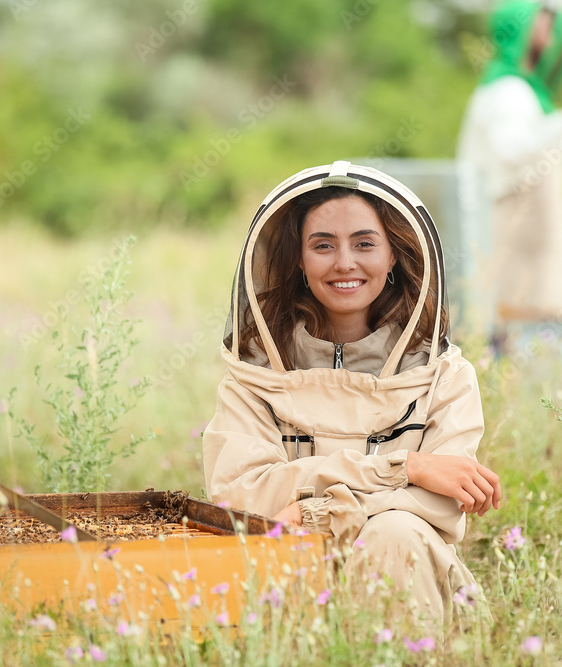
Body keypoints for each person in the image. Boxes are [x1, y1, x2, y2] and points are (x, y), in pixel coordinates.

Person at [202, 161, 501, 628]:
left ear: (394, 255)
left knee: (397, 532)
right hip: (287, 590)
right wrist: (408, 469)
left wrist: (321, 512)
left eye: (364, 243)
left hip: (409, 583)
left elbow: (442, 503)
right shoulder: (253, 374)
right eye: (323, 245)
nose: (345, 262)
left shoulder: (444, 376)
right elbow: (244, 496)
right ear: (299, 260)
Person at [457, 1, 562, 346]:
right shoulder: (507, 90)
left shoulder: (528, 92)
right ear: (521, 28)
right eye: (543, 19)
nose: (550, 28)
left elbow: (546, 150)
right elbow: (511, 149)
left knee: (538, 327)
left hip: (534, 248)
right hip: (514, 240)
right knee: (518, 333)